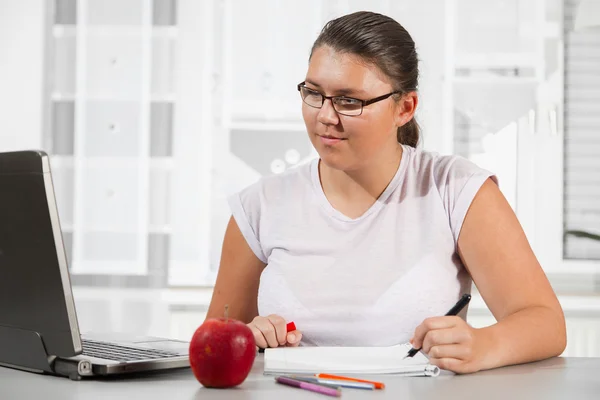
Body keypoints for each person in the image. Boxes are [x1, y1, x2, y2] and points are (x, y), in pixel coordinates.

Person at [205, 11, 566, 374]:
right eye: (314, 94)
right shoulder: (260, 206)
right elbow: (214, 341)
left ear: (405, 107)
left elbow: (545, 323)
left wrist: (483, 344)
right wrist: (251, 339)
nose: (326, 116)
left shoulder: (456, 190)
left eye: (349, 101)